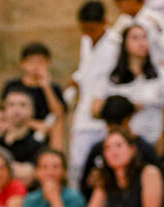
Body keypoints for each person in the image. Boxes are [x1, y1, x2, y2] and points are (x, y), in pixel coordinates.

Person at [92, 24, 164, 144]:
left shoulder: (161, 73)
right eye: (135, 38)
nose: (142, 43)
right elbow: (96, 109)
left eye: (144, 37)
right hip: (123, 141)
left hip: (157, 138)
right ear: (124, 44)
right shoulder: (113, 77)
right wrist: (127, 107)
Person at [68, 1, 120, 187]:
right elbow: (84, 72)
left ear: (104, 22)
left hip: (104, 111)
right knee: (77, 162)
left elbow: (116, 80)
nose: (88, 33)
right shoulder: (85, 41)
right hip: (84, 111)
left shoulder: (116, 45)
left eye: (92, 28)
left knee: (104, 163)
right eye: (84, 29)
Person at [85, 129, 164, 207]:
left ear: (132, 149)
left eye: (118, 145)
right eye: (108, 148)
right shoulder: (104, 178)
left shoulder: (149, 173)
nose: (113, 151)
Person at [80, 95, 161, 199]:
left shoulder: (145, 149)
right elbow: (84, 186)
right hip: (105, 206)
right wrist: (90, 184)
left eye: (118, 123)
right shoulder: (98, 149)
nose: (113, 128)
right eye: (109, 123)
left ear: (128, 119)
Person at [17, 149, 86, 207]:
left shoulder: (74, 197)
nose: (50, 173)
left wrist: (55, 198)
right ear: (37, 172)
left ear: (64, 172)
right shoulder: (31, 198)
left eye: (55, 167)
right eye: (44, 167)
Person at [0, 87, 45, 185]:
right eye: (11, 104)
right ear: (5, 110)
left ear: (32, 111)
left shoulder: (39, 148)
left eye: (23, 105)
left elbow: (30, 177)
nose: (16, 109)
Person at [1, 42, 66, 124]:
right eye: (31, 62)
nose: (35, 66)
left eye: (40, 62)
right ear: (23, 63)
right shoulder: (12, 86)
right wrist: (32, 124)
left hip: (43, 132)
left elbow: (59, 115)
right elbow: (3, 112)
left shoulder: (54, 88)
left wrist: (46, 87)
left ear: (48, 62)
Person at [110, 0, 164, 65]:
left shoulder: (153, 18)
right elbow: (113, 41)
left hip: (155, 65)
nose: (120, 6)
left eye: (124, 2)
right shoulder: (123, 20)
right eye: (117, 3)